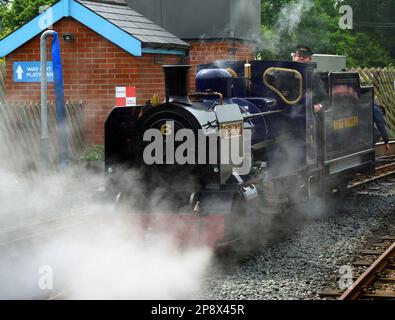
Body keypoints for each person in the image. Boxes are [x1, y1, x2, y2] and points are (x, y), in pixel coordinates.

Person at [292, 45, 328, 113]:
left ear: (310, 59)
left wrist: (319, 106)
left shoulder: (314, 77)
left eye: (305, 57)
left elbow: (326, 100)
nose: (301, 58)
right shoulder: (285, 73)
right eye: (299, 56)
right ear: (294, 57)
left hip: (307, 114)